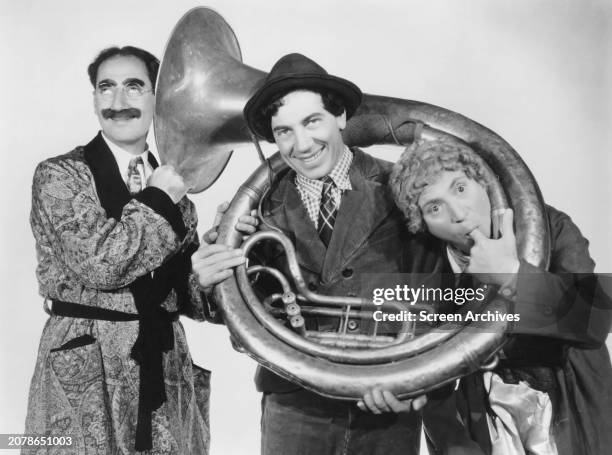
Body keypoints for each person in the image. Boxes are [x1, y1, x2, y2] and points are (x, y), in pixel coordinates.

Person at [193, 52, 424, 455]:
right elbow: (243, 317)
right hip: (294, 403)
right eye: (283, 131)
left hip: (386, 395)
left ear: (340, 117)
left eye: (312, 121)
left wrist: (420, 383)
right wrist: (214, 277)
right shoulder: (255, 210)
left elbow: (442, 292)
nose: (300, 144)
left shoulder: (402, 185)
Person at [25, 46, 229, 454]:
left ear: (159, 99)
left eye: (134, 87)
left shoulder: (175, 192)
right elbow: (102, 265)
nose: (118, 103)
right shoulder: (59, 175)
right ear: (95, 98)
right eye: (106, 88)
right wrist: (158, 198)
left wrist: (210, 269)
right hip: (84, 367)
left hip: (164, 370)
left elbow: (180, 295)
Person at [389, 139, 612, 454]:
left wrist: (510, 272)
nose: (458, 213)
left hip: (569, 413)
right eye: (434, 207)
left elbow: (595, 319)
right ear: (421, 222)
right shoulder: (426, 268)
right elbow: (428, 372)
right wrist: (455, 446)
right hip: (486, 424)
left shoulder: (550, 226)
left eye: (460, 188)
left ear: (483, 182)